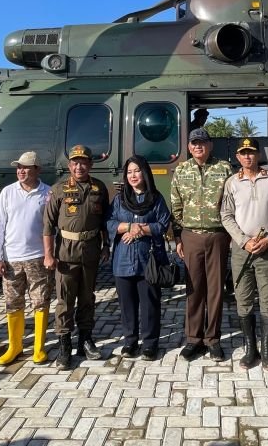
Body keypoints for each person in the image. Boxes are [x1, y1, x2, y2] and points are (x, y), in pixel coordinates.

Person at [43, 144, 110, 370]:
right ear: (69, 165)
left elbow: (104, 222)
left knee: (88, 297)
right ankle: (64, 345)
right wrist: (48, 255)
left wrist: (106, 246)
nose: (79, 166)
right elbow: (47, 225)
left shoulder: (99, 188)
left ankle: (85, 340)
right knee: (65, 300)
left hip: (90, 250)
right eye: (75, 162)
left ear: (90, 164)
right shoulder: (59, 189)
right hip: (65, 253)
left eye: (83, 162)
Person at [171, 127, 233, 362]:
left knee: (216, 290)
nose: (198, 146)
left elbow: (232, 202)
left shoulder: (224, 168)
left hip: (218, 235)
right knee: (194, 288)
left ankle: (213, 339)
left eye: (202, 143)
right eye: (194, 143)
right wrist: (178, 237)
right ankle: (193, 338)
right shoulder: (181, 170)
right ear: (189, 147)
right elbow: (175, 205)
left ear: (210, 145)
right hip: (191, 236)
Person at [221, 138, 268, 371]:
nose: (247, 157)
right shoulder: (232, 183)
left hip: (267, 249)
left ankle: (266, 351)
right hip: (241, 249)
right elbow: (226, 216)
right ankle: (250, 349)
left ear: (258, 154)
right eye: (243, 153)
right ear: (237, 157)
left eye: (251, 152)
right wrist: (244, 241)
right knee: (243, 299)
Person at [106, 156, 171, 361]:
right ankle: (130, 342)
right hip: (123, 259)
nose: (133, 176)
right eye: (129, 172)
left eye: (137, 171)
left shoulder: (156, 198)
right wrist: (127, 227)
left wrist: (141, 229)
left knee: (150, 303)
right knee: (127, 304)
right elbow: (109, 223)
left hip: (148, 259)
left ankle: (150, 343)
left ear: (145, 173)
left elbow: (163, 224)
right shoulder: (119, 199)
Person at [0, 151, 52, 365]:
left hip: (37, 257)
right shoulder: (7, 192)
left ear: (37, 170)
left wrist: (50, 254)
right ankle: (14, 346)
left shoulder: (48, 193)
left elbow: (51, 228)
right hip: (11, 258)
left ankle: (39, 348)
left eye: (26, 167)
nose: (21, 171)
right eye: (19, 167)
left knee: (40, 301)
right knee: (13, 302)